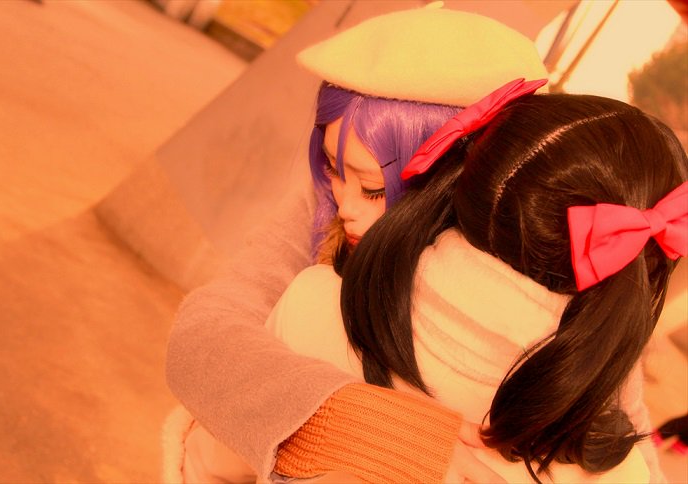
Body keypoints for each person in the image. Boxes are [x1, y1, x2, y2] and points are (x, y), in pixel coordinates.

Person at [165, 4, 548, 483]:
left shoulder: (544, 271)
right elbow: (202, 336)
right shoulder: (324, 205)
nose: (344, 204)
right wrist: (357, 423)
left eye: (372, 188)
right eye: (332, 167)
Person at [267, 92, 687, 482]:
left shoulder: (310, 305)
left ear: (466, 181)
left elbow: (224, 461)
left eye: (372, 188)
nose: (343, 205)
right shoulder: (616, 471)